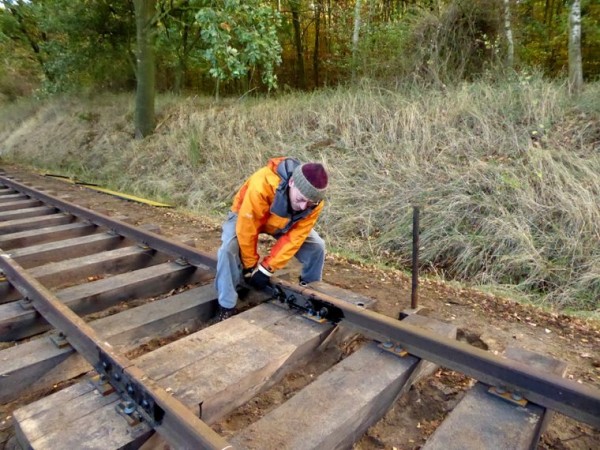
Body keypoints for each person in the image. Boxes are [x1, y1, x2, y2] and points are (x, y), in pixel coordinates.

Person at [215, 156, 329, 321]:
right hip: (245, 215)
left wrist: (266, 269)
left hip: (281, 222)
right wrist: (250, 265)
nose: (304, 207)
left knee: (317, 246)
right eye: (301, 200)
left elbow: (295, 237)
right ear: (291, 183)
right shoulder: (262, 184)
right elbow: (248, 227)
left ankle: (310, 291)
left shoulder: (315, 204)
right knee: (228, 250)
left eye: (310, 203)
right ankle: (226, 305)